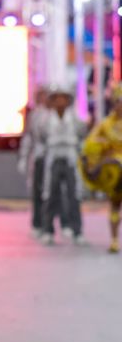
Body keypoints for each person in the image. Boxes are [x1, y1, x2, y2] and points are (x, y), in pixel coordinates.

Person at [39, 86, 88, 246]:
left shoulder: (74, 119)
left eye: (63, 98)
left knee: (74, 195)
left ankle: (77, 230)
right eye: (57, 98)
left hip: (70, 158)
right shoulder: (46, 119)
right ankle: (48, 230)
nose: (60, 101)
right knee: (50, 195)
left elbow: (82, 135)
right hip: (53, 158)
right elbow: (41, 137)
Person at [18, 86, 67, 237]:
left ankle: (61, 225)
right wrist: (24, 157)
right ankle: (38, 224)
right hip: (40, 158)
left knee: (58, 192)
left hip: (55, 157)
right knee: (39, 192)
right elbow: (29, 137)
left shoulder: (58, 114)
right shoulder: (36, 115)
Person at [82, 84, 122, 253]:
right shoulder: (106, 125)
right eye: (118, 101)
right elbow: (91, 144)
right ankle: (114, 240)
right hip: (116, 173)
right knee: (114, 205)